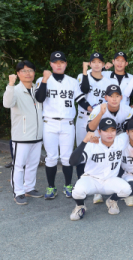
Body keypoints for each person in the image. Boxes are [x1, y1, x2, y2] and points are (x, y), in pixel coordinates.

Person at [69, 118, 133, 220]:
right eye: (106, 130)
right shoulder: (92, 144)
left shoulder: (121, 140)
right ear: (99, 132)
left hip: (110, 180)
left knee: (127, 189)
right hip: (92, 179)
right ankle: (80, 206)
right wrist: (84, 141)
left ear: (116, 131)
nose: (109, 134)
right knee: (77, 191)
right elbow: (73, 162)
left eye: (112, 130)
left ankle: (112, 200)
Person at [35, 51, 91, 199]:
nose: (58, 65)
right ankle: (51, 187)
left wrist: (93, 110)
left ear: (66, 64)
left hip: (67, 123)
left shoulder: (72, 81)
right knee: (51, 157)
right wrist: (46, 79)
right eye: (55, 62)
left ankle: (68, 185)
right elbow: (39, 98)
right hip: (50, 123)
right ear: (51, 64)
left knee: (66, 157)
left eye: (61, 62)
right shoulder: (43, 79)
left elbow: (81, 100)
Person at [4, 61, 43, 205]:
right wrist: (10, 84)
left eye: (30, 70)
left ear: (34, 73)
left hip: (37, 136)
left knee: (33, 164)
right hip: (21, 136)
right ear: (18, 73)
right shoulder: (15, 89)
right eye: (24, 71)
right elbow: (7, 104)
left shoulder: (38, 89)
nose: (28, 73)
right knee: (19, 165)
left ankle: (29, 188)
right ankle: (18, 192)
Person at [87, 85, 131, 204]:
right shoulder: (98, 109)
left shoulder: (127, 109)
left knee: (119, 161)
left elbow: (131, 128)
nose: (114, 99)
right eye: (111, 96)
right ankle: (97, 191)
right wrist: (101, 113)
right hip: (100, 138)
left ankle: (118, 187)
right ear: (106, 97)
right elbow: (89, 127)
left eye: (117, 96)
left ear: (121, 97)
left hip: (119, 139)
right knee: (100, 162)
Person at [77, 52, 116, 146]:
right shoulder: (82, 76)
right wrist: (85, 71)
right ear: (89, 64)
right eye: (93, 62)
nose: (96, 64)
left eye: (99, 62)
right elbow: (83, 92)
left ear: (103, 64)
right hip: (83, 117)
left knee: (96, 149)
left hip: (99, 118)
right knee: (81, 148)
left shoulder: (108, 83)